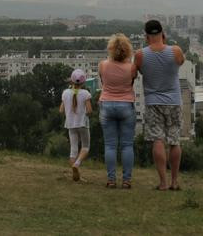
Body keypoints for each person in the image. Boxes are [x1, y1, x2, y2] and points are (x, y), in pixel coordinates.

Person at [135, 19, 185, 191]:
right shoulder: (176, 51)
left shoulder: (140, 54)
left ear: (146, 35)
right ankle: (175, 181)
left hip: (153, 102)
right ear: (163, 33)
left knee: (158, 140)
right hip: (174, 101)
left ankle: (163, 182)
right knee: (174, 140)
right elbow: (180, 62)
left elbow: (138, 71)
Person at [98, 33, 138, 189]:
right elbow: (131, 83)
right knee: (127, 145)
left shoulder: (103, 65)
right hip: (126, 105)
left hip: (107, 105)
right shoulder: (131, 68)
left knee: (110, 146)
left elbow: (103, 81)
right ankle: (126, 180)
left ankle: (111, 179)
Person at [59, 69, 92, 182]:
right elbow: (89, 110)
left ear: (71, 81)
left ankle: (76, 175)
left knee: (73, 149)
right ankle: (77, 165)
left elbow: (61, 110)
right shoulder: (86, 93)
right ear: (83, 82)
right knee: (86, 147)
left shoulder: (65, 93)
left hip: (70, 124)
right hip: (82, 123)